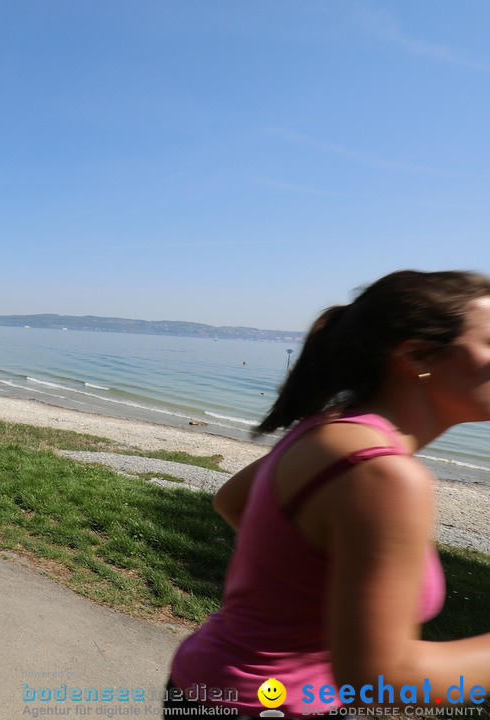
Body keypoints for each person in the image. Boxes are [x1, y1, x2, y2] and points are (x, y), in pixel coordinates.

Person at [165, 270, 490, 718]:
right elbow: (382, 679)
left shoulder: (332, 428)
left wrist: (307, 585)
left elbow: (233, 501)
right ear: (417, 355)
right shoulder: (382, 473)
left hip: (211, 684)